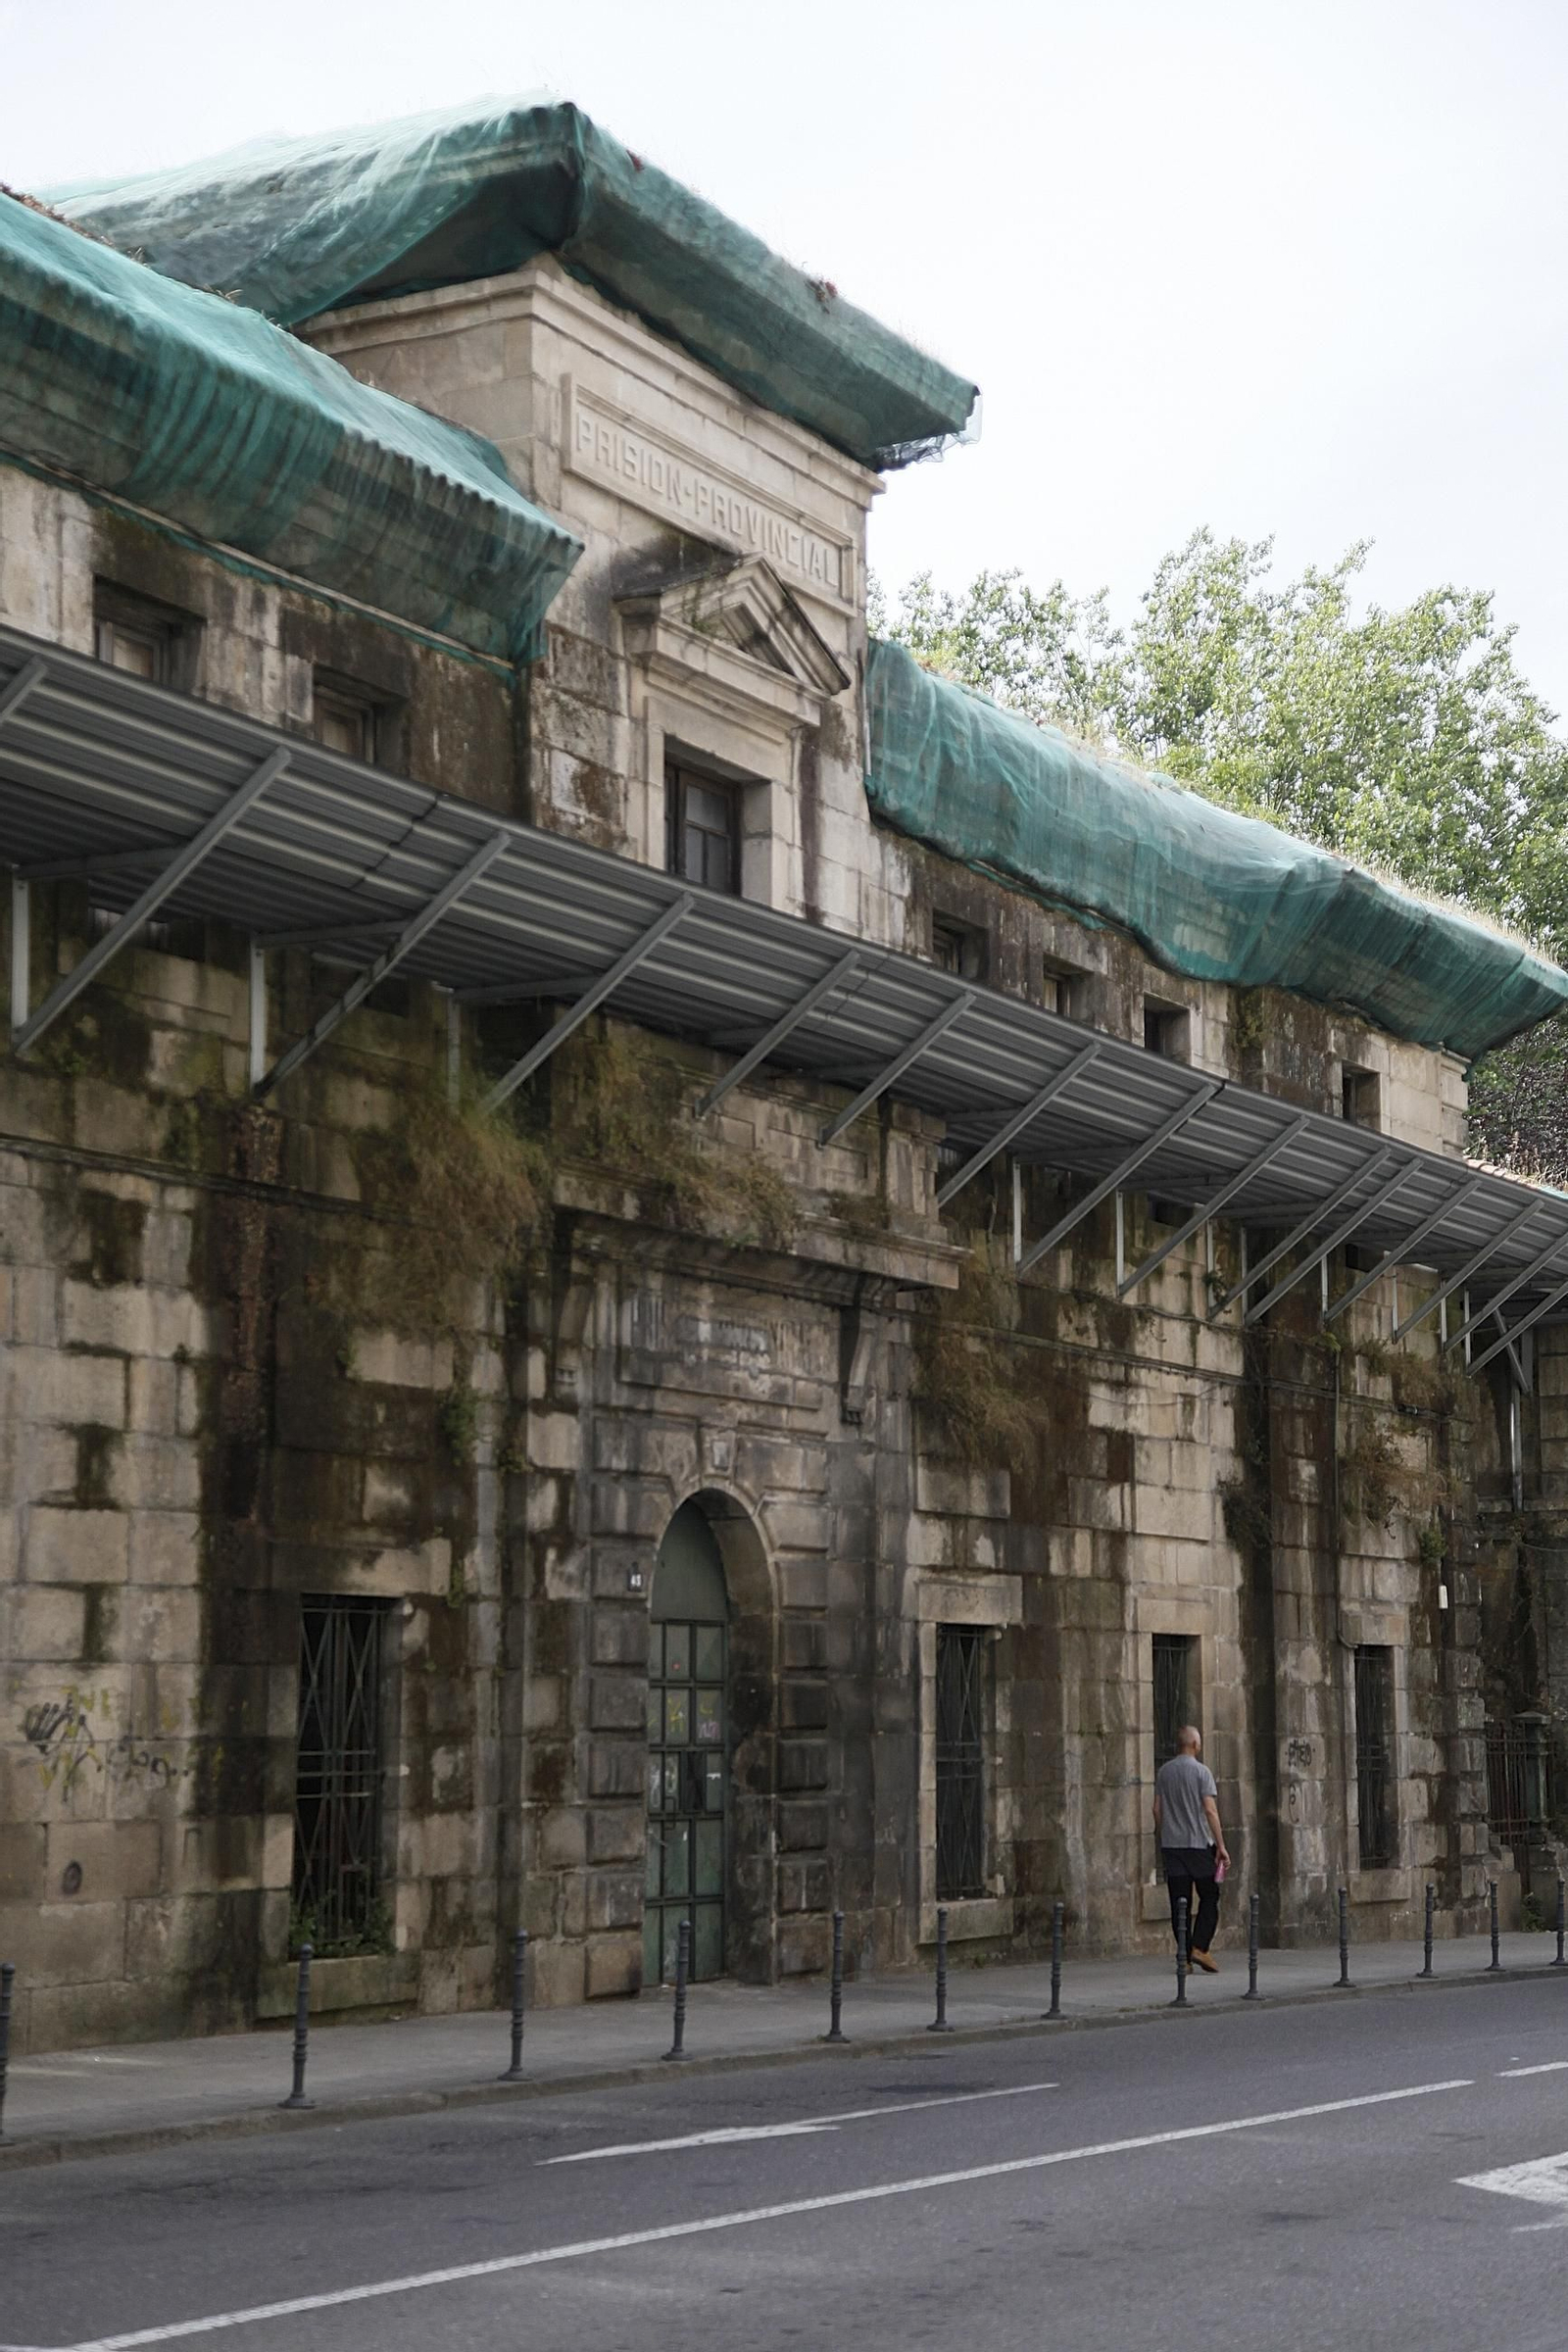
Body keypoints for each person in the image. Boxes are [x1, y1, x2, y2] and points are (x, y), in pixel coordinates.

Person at [1152, 1725, 1231, 1973]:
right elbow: (1210, 1810)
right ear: (1195, 1745)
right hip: (1197, 1844)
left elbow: (1156, 1809)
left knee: (1179, 1902)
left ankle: (1184, 1958)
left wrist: (1166, 1831)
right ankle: (1200, 1947)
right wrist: (1221, 1845)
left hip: (1172, 1846)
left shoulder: (1164, 1772)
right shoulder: (1201, 1772)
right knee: (1209, 1895)